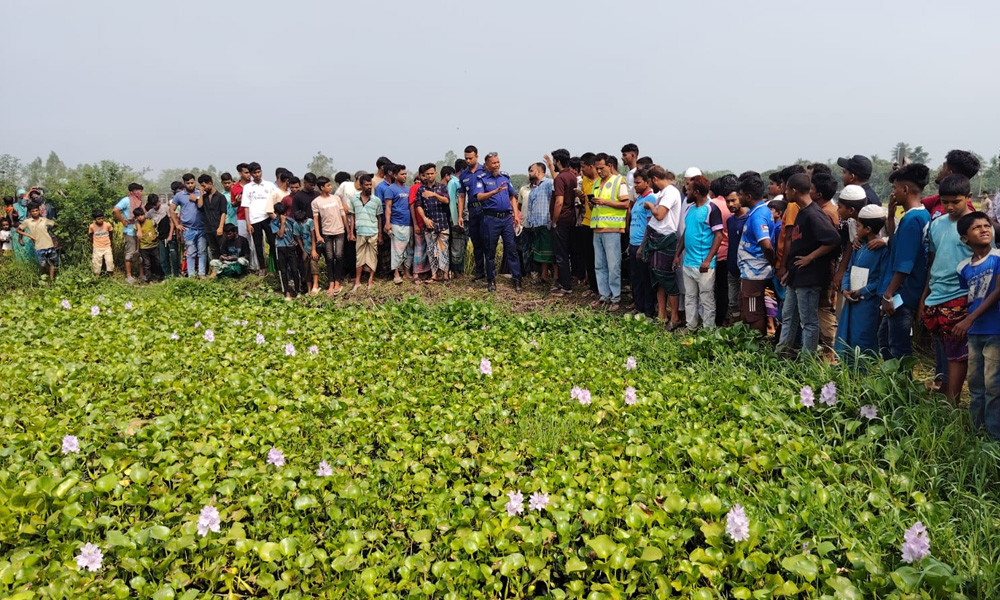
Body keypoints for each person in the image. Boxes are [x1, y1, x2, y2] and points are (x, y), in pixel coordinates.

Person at [920, 174, 974, 402]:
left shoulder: (977, 225)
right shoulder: (937, 224)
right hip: (937, 294)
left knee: (958, 354)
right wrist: (926, 295)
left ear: (968, 198)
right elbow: (933, 259)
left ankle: (952, 400)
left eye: (956, 201)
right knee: (945, 347)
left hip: (961, 295)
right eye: (945, 202)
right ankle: (946, 390)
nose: (950, 206)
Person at [776, 174, 842, 356]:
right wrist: (790, 269)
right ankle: (782, 353)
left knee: (809, 322)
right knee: (788, 316)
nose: (785, 192)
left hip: (809, 277)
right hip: (796, 276)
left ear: (794, 191)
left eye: (787, 189)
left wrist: (810, 257)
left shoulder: (814, 214)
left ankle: (808, 361)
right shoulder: (802, 211)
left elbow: (833, 240)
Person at [878, 163, 932, 360]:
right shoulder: (921, 214)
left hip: (903, 292)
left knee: (896, 345)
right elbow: (897, 245)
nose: (893, 193)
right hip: (909, 289)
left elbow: (905, 263)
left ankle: (900, 384)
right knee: (885, 337)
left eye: (895, 188)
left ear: (905, 189)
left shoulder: (911, 220)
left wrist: (889, 293)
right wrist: (891, 218)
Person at [955, 211, 1000, 440]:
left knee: (994, 385)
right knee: (975, 384)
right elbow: (970, 298)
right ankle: (975, 430)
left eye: (986, 225)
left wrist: (970, 319)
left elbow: (997, 291)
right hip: (974, 333)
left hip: (995, 330)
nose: (984, 229)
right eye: (977, 227)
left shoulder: (999, 257)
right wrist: (968, 320)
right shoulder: (963, 267)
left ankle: (993, 436)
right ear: (965, 238)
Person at [836, 205, 889, 359]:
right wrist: (845, 288)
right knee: (847, 335)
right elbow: (849, 269)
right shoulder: (858, 246)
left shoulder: (883, 250)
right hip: (852, 300)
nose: (856, 229)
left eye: (858, 226)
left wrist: (862, 291)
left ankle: (862, 372)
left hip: (868, 303)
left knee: (863, 337)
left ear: (868, 229)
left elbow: (881, 278)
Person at [674, 175, 723, 330]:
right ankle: (691, 327)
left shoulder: (711, 209)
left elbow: (718, 235)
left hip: (703, 264)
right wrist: (677, 255)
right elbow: (686, 233)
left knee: (706, 298)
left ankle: (708, 330)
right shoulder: (690, 209)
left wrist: (708, 260)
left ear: (696, 192)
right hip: (688, 262)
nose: (685, 193)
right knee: (690, 297)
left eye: (688, 190)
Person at [474, 152, 523, 293]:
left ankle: (517, 279)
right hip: (491, 219)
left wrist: (515, 214)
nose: (496, 165)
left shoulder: (505, 178)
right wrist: (494, 191)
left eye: (498, 162)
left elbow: (512, 196)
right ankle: (491, 280)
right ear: (487, 165)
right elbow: (479, 196)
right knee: (490, 251)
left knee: (511, 249)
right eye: (493, 163)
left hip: (506, 219)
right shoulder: (481, 179)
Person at [640, 166, 682, 327]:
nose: (651, 186)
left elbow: (660, 215)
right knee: (658, 279)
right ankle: (662, 314)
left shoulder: (670, 192)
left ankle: (675, 317)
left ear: (655, 179)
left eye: (650, 182)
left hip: (665, 239)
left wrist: (650, 205)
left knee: (667, 278)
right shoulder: (664, 193)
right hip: (656, 237)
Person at [737, 172, 776, 335]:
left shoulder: (758, 216)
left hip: (755, 273)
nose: (738, 197)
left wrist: (774, 263)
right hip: (751, 271)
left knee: (754, 314)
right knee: (750, 310)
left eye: (740, 194)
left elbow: (766, 245)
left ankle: (756, 348)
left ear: (748, 196)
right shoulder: (759, 211)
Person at [589, 153, 630, 309]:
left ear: (610, 166)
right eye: (597, 169)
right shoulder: (596, 183)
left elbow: (626, 204)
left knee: (613, 265)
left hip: (612, 229)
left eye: (601, 168)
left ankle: (615, 298)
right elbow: (596, 206)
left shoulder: (619, 181)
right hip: (597, 228)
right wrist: (592, 203)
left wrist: (605, 202)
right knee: (599, 264)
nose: (599, 171)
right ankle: (604, 295)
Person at [313, 175, 350, 296]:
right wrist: (318, 235)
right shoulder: (316, 202)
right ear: (322, 187)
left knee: (338, 256)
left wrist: (348, 230)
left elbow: (343, 214)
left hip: (339, 231)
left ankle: (337, 282)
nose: (331, 187)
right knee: (329, 258)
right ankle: (331, 282)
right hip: (327, 233)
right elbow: (316, 220)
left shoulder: (336, 199)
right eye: (328, 185)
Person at [415, 163, 451, 282]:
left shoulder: (442, 187)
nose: (430, 176)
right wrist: (424, 219)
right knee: (431, 250)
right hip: (429, 224)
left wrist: (434, 195)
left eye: (432, 173)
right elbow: (418, 206)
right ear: (424, 175)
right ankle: (434, 275)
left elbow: (446, 200)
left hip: (442, 223)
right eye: (427, 174)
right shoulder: (421, 189)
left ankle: (445, 274)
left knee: (443, 249)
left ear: (435, 173)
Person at [241, 162, 279, 275]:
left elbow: (277, 201)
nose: (257, 174)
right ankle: (262, 268)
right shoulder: (248, 188)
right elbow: (246, 207)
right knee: (258, 245)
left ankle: (276, 267)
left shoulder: (269, 185)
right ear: (251, 174)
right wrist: (248, 223)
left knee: (273, 243)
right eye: (255, 173)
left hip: (268, 218)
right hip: (254, 220)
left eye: (259, 172)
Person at [628, 169, 656, 317]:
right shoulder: (638, 199)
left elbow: (650, 225)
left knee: (645, 279)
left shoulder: (651, 199)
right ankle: (639, 307)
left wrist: (643, 246)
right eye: (634, 183)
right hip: (633, 243)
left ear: (647, 182)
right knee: (635, 277)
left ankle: (649, 310)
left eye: (638, 183)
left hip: (642, 245)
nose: (636, 186)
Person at [922, 150, 980, 219]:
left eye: (943, 167)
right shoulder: (939, 199)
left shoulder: (967, 214)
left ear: (950, 173)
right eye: (945, 202)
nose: (940, 171)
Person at [709, 175, 735, 326]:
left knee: (711, 290)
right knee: (724, 289)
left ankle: (712, 319)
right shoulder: (732, 206)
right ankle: (722, 318)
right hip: (727, 252)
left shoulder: (711, 205)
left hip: (712, 254)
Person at [550, 149, 577, 296]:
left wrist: (554, 220)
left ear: (558, 161)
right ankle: (565, 282)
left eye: (554, 161)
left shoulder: (560, 178)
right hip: (571, 218)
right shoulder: (572, 176)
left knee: (561, 254)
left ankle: (565, 285)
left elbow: (559, 202)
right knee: (566, 253)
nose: (553, 163)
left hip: (562, 220)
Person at [349, 174, 382, 292]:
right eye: (366, 185)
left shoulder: (376, 200)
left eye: (370, 185)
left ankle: (370, 280)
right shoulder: (354, 199)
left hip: (373, 232)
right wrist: (351, 232)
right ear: (361, 185)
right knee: (359, 257)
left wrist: (380, 235)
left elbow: (379, 218)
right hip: (360, 232)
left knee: (373, 256)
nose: (369, 187)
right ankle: (357, 281)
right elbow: (352, 216)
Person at [380, 163, 413, 284]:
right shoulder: (390, 189)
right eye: (402, 174)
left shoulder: (408, 189)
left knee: (408, 248)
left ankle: (406, 271)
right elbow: (387, 207)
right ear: (394, 175)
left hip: (408, 223)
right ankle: (396, 273)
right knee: (396, 249)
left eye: (405, 174)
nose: (405, 176)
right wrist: (387, 223)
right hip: (396, 222)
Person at [171, 173, 208, 278]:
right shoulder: (179, 196)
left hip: (202, 227)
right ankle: (191, 275)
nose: (190, 185)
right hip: (188, 229)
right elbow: (171, 210)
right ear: (184, 183)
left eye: (192, 183)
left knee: (202, 251)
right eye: (188, 183)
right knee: (190, 253)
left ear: (195, 182)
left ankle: (201, 273)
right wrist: (177, 224)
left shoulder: (201, 193)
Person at [458, 146, 487, 280]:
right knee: (476, 242)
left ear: (477, 156)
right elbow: (462, 196)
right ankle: (479, 271)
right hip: (472, 210)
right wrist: (460, 216)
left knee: (487, 240)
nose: (468, 161)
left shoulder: (486, 170)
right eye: (466, 158)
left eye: (470, 158)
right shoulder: (464, 175)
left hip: (486, 209)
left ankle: (490, 272)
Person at [524, 162, 554, 282]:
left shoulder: (548, 183)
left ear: (539, 171)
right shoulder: (534, 188)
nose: (529, 173)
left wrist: (552, 220)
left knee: (551, 252)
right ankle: (544, 276)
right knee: (541, 252)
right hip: (536, 225)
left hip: (546, 223)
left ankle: (556, 277)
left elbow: (555, 198)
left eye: (531, 170)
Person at [574, 152, 599, 295]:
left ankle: (600, 289)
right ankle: (592, 287)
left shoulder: (601, 182)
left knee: (599, 258)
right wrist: (582, 196)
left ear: (591, 166)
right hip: (586, 221)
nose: (581, 171)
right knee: (588, 257)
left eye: (583, 168)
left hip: (599, 224)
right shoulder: (584, 181)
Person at [16, 202, 58, 280]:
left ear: (39, 211)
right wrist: (29, 236)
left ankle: (51, 280)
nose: (35, 212)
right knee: (43, 265)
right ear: (30, 212)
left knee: (52, 263)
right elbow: (18, 230)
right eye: (33, 211)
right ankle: (44, 279)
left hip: (49, 244)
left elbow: (55, 224)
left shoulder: (44, 220)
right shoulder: (27, 222)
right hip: (39, 246)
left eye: (36, 210)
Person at [724, 186, 748, 323]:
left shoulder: (748, 219)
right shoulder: (730, 220)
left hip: (745, 269)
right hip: (732, 267)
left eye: (733, 200)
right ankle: (736, 330)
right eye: (728, 201)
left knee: (744, 302)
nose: (730, 204)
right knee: (733, 302)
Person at [113, 182, 145, 282]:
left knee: (140, 252)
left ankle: (141, 274)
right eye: (139, 191)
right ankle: (129, 275)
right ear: (133, 191)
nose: (141, 193)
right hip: (130, 231)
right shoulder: (126, 200)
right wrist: (123, 221)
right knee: (130, 253)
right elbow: (115, 210)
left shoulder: (139, 201)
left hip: (139, 231)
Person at [198, 174, 228, 275]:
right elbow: (200, 206)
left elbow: (223, 212)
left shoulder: (220, 197)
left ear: (210, 183)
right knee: (213, 250)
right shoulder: (204, 197)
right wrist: (201, 194)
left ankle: (225, 270)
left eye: (204, 186)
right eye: (201, 186)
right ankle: (215, 270)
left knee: (223, 248)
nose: (203, 188)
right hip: (208, 227)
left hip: (218, 227)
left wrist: (221, 227)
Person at [271, 202, 300, 299]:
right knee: (283, 270)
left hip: (291, 247)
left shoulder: (291, 221)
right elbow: (280, 235)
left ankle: (297, 290)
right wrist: (282, 223)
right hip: (280, 247)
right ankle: (286, 291)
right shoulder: (274, 223)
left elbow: (296, 233)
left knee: (294, 269)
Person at [444, 162, 466, 278]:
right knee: (456, 245)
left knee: (463, 244)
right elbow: (452, 203)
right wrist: (455, 221)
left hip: (465, 218)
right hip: (456, 219)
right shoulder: (453, 183)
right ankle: (456, 271)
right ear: (462, 170)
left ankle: (461, 270)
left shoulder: (462, 182)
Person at [134, 207, 163, 282]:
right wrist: (138, 248)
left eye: (141, 215)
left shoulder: (151, 222)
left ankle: (159, 276)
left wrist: (156, 235)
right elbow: (137, 238)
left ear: (144, 214)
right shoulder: (137, 225)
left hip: (154, 245)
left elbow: (157, 230)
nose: (140, 217)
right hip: (144, 247)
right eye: (138, 216)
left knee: (158, 261)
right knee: (147, 264)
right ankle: (148, 279)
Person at [294, 208, 319, 295]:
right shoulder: (296, 225)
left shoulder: (309, 222)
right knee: (306, 268)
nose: (301, 224)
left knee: (313, 264)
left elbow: (313, 236)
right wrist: (304, 251)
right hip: (305, 248)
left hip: (312, 247)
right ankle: (309, 288)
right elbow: (298, 239)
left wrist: (313, 249)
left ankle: (315, 285)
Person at [88, 209, 114, 276]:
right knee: (97, 263)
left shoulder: (107, 225)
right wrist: (94, 244)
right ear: (95, 219)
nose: (101, 220)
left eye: (102, 218)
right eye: (99, 219)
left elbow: (111, 235)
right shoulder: (92, 226)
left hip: (107, 247)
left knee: (109, 261)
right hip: (97, 247)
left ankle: (110, 276)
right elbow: (91, 236)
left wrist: (110, 244)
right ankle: (97, 276)